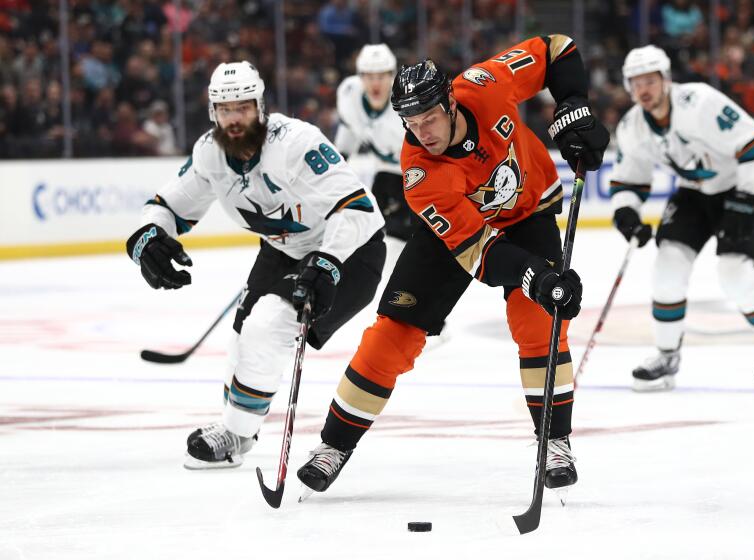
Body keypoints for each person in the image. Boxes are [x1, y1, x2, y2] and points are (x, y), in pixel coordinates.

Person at [296, 35, 609, 497]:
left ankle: (555, 442)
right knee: (392, 334)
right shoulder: (420, 172)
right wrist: (535, 275)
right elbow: (479, 253)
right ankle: (333, 446)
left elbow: (556, 47)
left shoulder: (484, 85)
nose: (422, 132)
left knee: (541, 320)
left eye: (429, 118)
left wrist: (573, 104)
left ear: (450, 101)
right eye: (411, 123)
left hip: (528, 214)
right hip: (459, 236)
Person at [125, 61, 386, 469]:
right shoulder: (209, 155)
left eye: (242, 108)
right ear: (213, 112)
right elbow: (167, 205)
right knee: (244, 333)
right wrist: (147, 237)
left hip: (352, 250)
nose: (234, 119)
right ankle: (237, 429)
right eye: (225, 110)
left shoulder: (296, 143)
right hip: (284, 249)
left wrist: (328, 262)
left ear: (260, 106)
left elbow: (356, 208)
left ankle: (235, 432)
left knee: (267, 325)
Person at [610, 45, 754, 393]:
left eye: (650, 80)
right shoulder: (632, 126)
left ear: (665, 79)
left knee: (734, 272)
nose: (643, 90)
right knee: (667, 267)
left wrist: (747, 200)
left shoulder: (700, 103)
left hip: (746, 182)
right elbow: (628, 179)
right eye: (635, 84)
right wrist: (627, 213)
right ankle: (667, 356)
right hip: (696, 191)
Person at [334, 43, 414, 240]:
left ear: (392, 76)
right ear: (360, 77)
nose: (375, 83)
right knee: (377, 227)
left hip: (419, 175)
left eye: (382, 76)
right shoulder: (348, 93)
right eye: (369, 76)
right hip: (387, 173)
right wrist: (336, 167)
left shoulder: (408, 104)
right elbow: (348, 130)